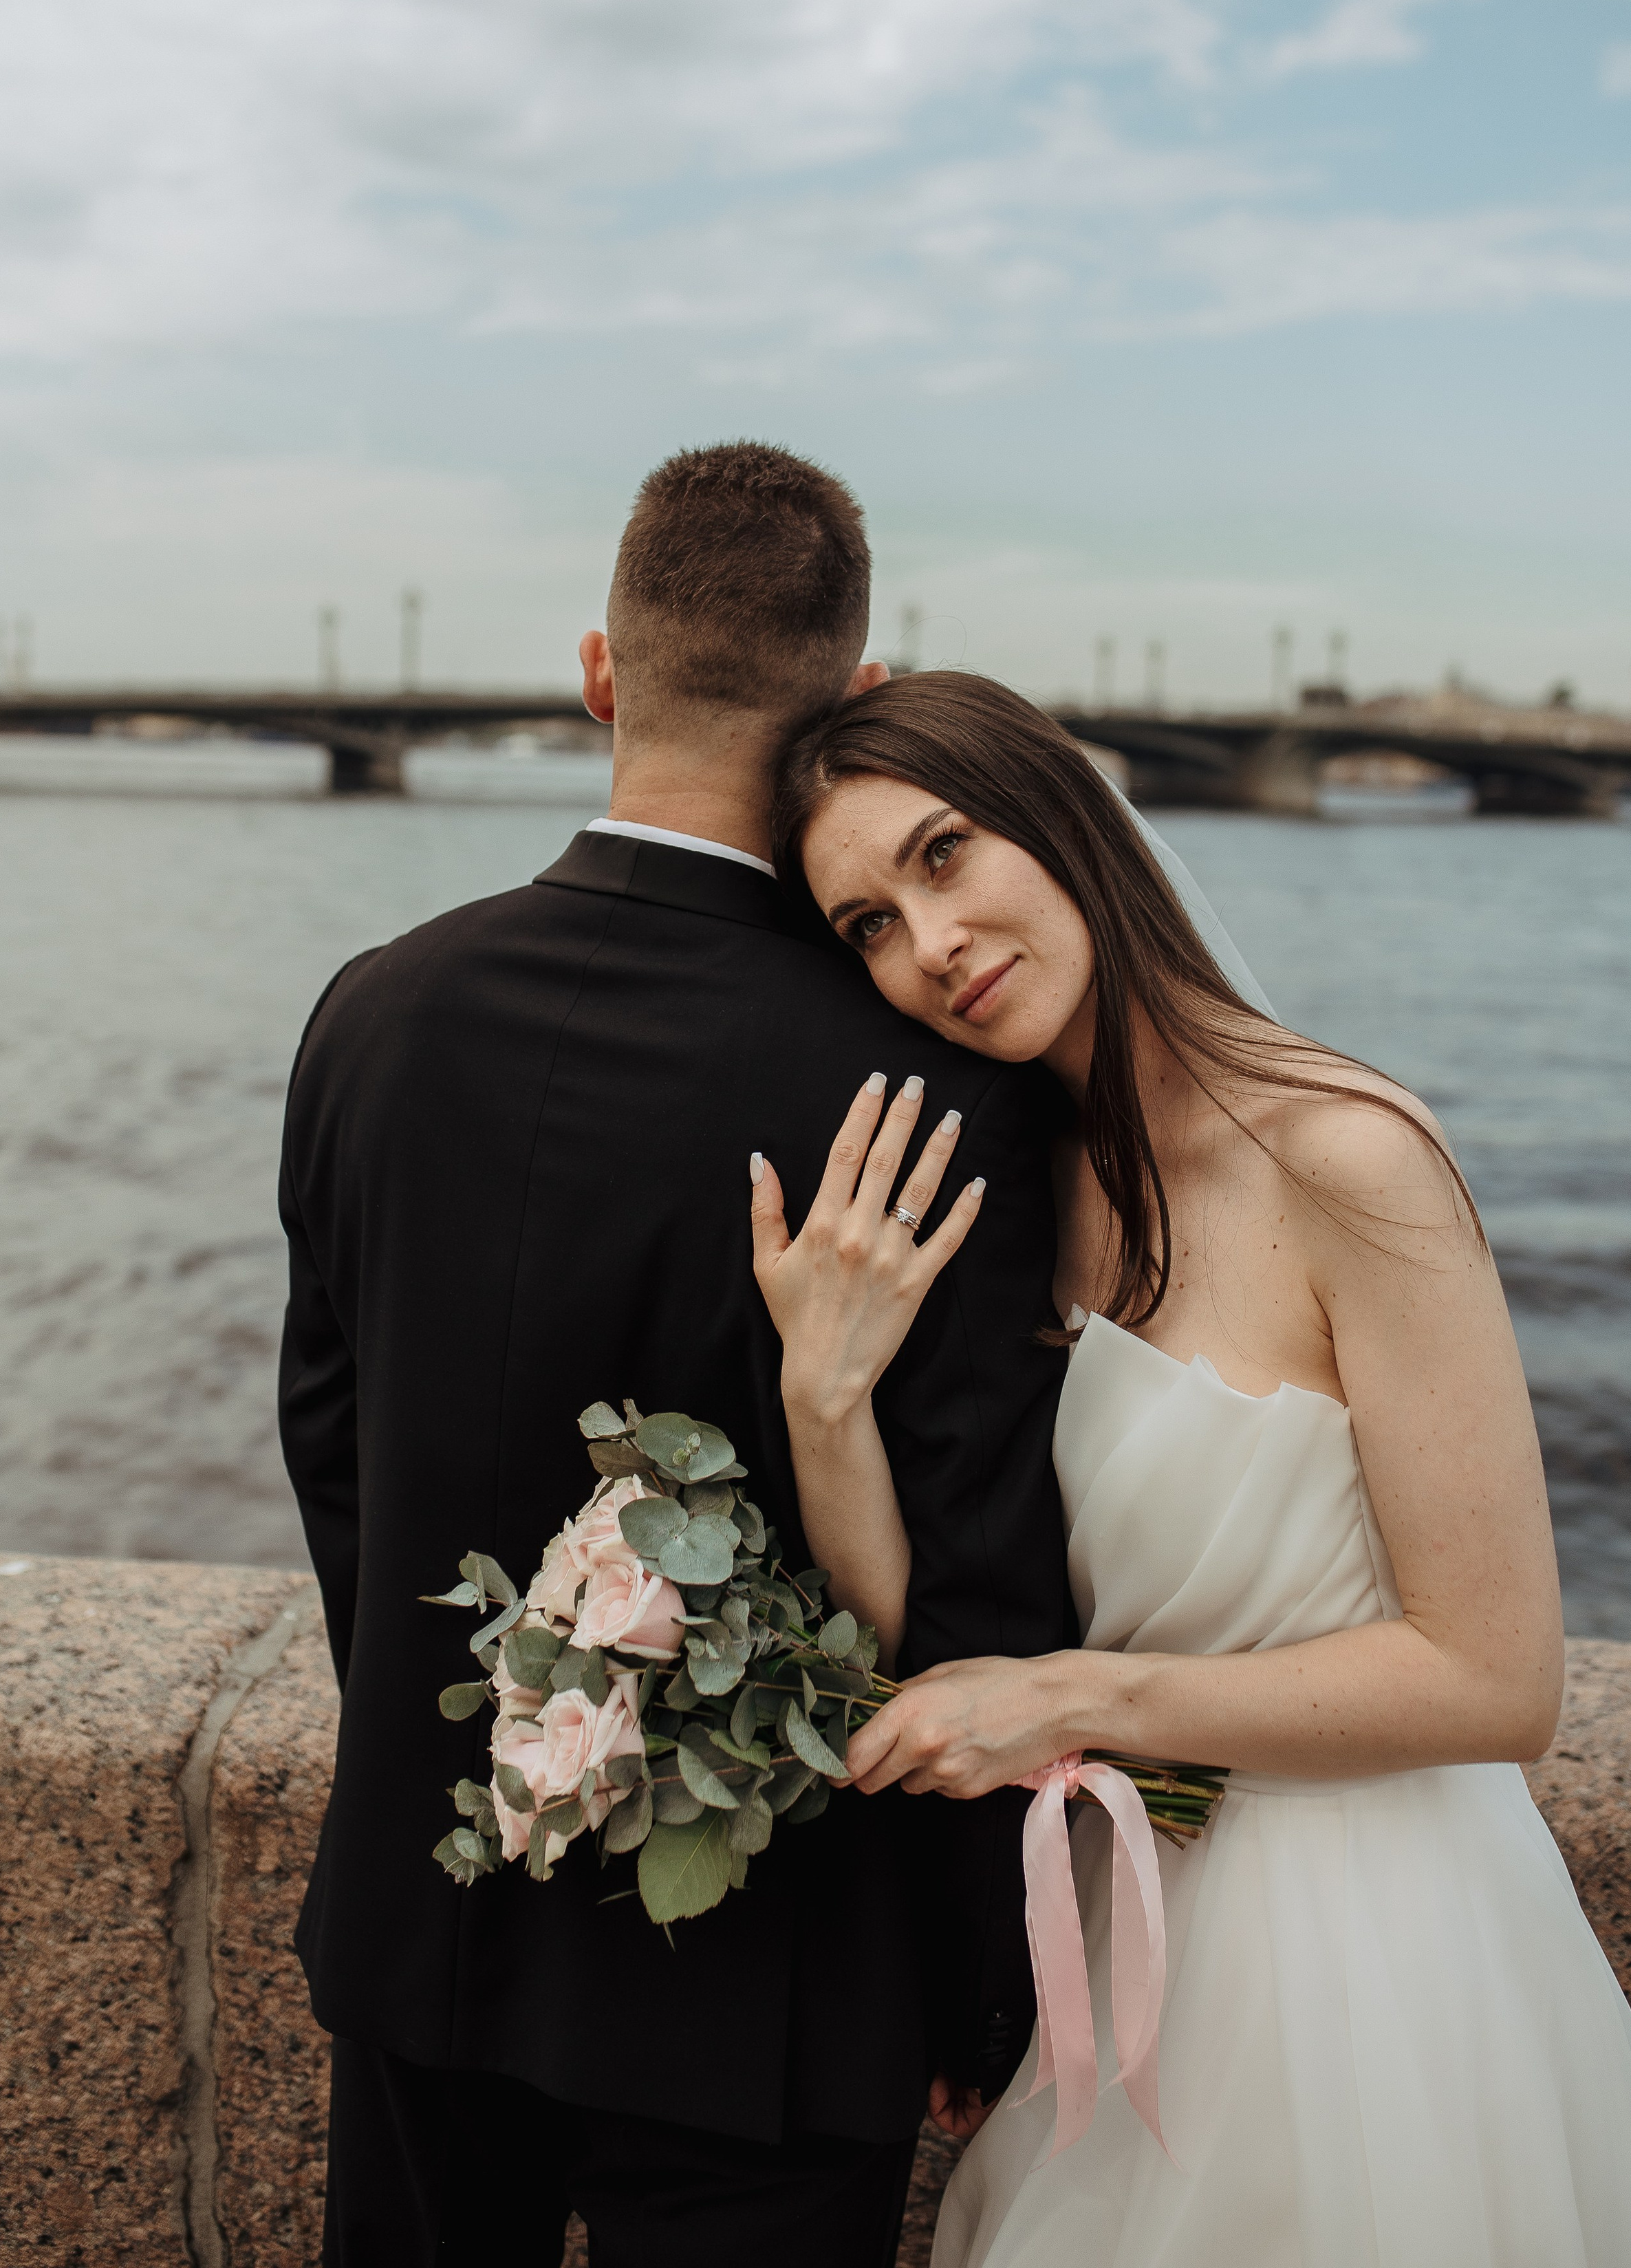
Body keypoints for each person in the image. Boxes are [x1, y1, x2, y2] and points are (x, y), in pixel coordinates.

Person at [750, 667, 1631, 2268]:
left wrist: (1076, 1697)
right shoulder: (1018, 1186)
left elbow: (1499, 1677)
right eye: (864, 920)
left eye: (941, 856)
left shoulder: (1346, 1156)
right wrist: (824, 1393)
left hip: (1367, 1946)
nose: (923, 943)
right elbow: (928, 1619)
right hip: (1125, 1925)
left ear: (1063, 819)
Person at [276, 446, 1074, 2267]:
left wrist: (445, 1761)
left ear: (597, 671)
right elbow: (979, 1576)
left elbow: (334, 1455)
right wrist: (974, 1980)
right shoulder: (936, 1087)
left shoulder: (372, 1015)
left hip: (426, 1930)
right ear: (852, 709)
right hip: (774, 2007)